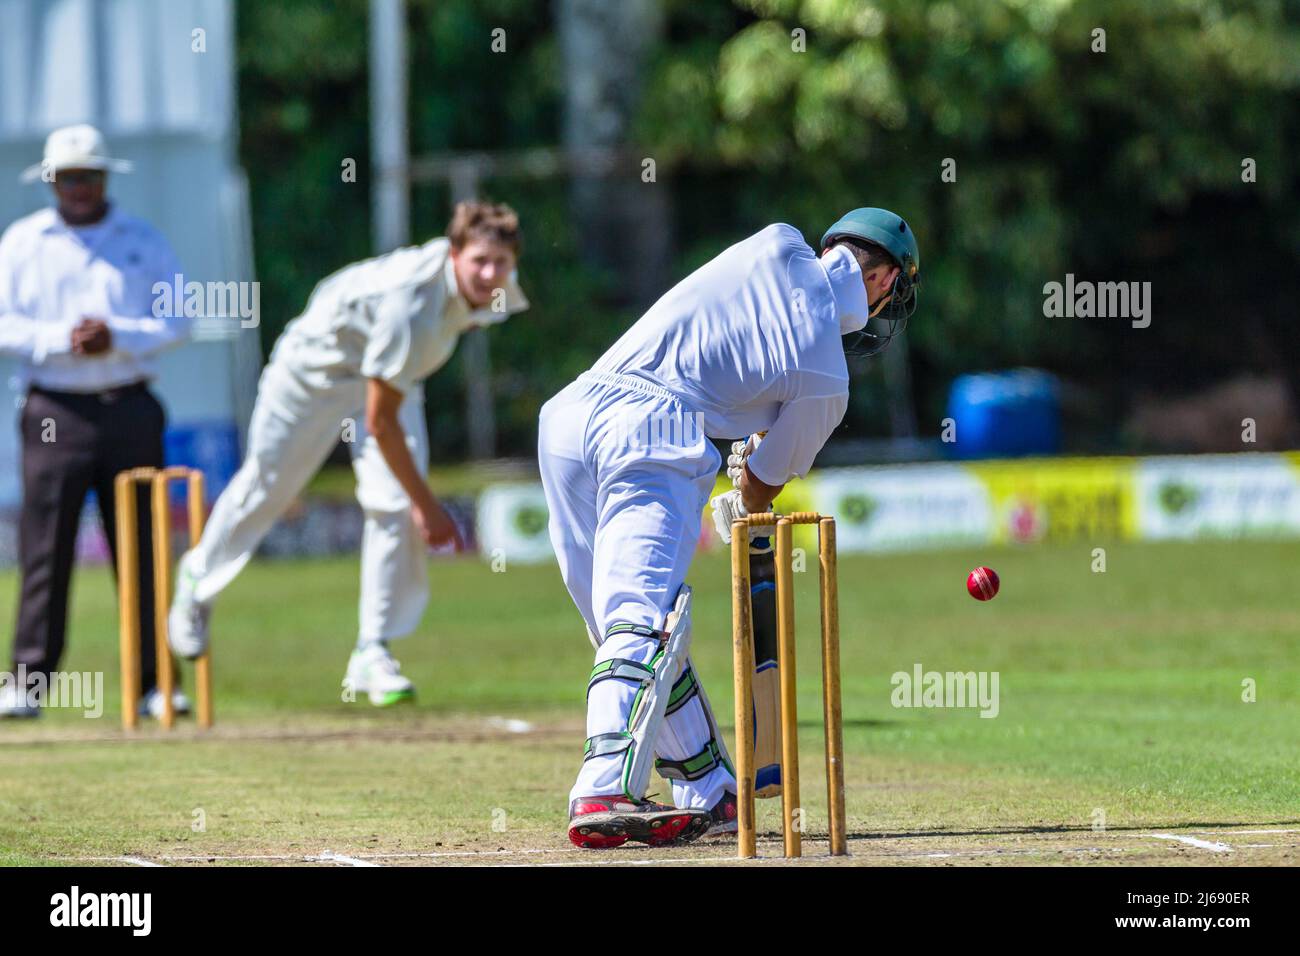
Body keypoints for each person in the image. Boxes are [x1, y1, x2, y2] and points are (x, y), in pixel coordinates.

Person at [538, 208, 920, 848]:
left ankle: (707, 786)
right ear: (880, 278)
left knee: (620, 629)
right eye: (891, 290)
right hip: (653, 432)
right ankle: (604, 783)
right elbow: (760, 488)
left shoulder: (776, 241)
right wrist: (747, 477)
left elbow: (737, 342)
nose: (886, 305)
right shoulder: (829, 377)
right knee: (641, 618)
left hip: (571, 418)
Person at [166, 201, 528, 705]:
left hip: (387, 375)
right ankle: (196, 578)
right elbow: (381, 422)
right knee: (270, 489)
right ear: (453, 254)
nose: (490, 275)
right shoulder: (410, 303)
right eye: (479, 262)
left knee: (392, 506)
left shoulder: (492, 291)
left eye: (501, 263)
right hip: (315, 374)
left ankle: (371, 651)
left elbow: (415, 371)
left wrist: (413, 504)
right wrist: (431, 508)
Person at [0, 125, 190, 719]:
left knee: (143, 545)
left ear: (106, 177)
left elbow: (179, 318)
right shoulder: (23, 242)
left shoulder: (143, 239)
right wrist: (63, 339)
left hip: (128, 404)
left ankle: (156, 683)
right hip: (54, 409)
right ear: (52, 181)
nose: (79, 187)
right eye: (68, 177)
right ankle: (26, 683)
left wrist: (118, 339)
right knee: (44, 550)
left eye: (89, 176)